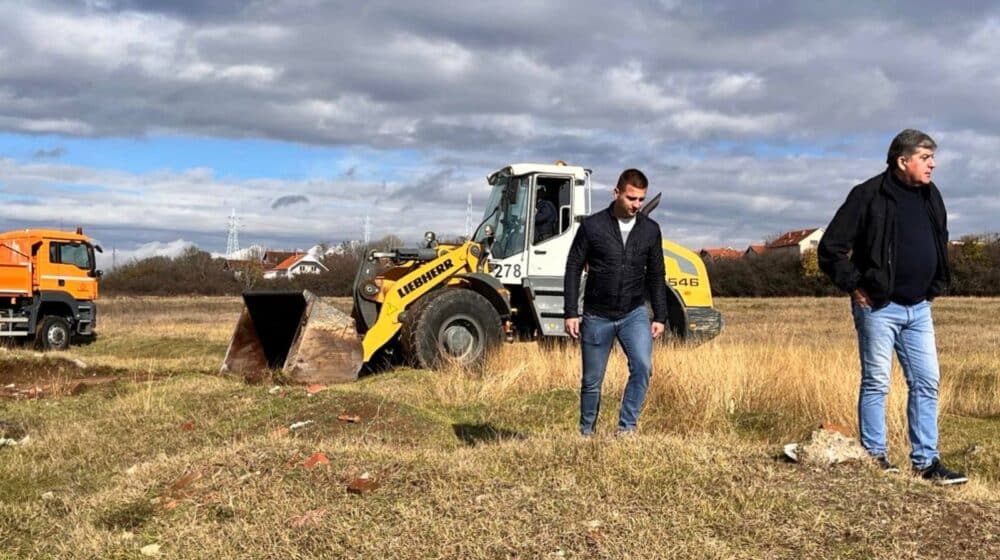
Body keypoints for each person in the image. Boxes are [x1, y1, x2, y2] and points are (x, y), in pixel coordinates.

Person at [818, 129, 967, 485]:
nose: (933, 164)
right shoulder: (867, 195)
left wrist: (935, 283)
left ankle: (926, 462)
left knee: (927, 381)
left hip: (919, 308)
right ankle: (876, 457)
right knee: (877, 382)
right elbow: (831, 249)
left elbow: (939, 239)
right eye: (925, 157)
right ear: (903, 161)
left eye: (932, 157)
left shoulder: (932, 196)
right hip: (878, 307)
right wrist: (855, 285)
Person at [564, 168, 667, 436]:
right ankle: (586, 432)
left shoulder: (651, 230)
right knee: (591, 381)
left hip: (633, 313)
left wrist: (660, 316)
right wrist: (570, 312)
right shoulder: (592, 226)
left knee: (643, 367)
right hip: (597, 315)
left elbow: (657, 274)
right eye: (631, 198)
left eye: (641, 200)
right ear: (617, 193)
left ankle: (626, 428)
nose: (636, 205)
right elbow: (574, 266)